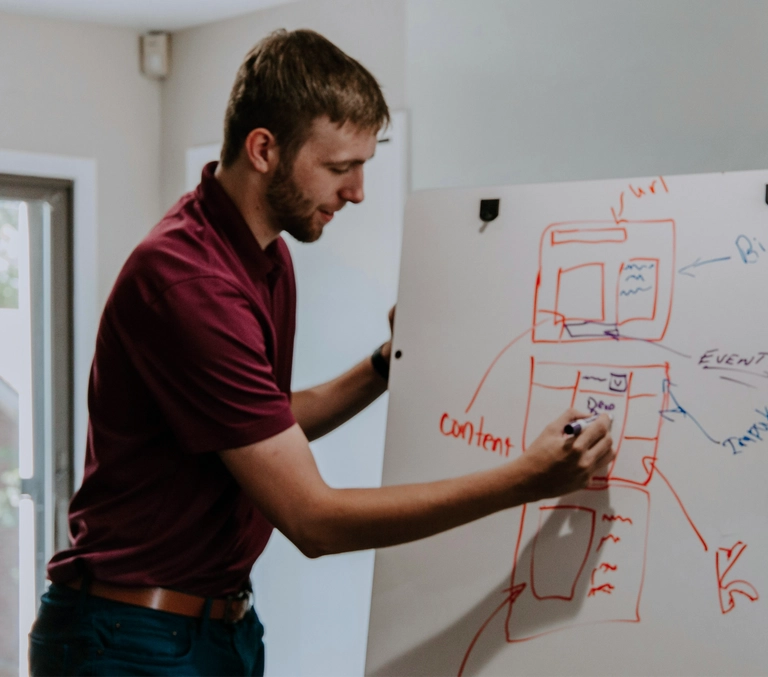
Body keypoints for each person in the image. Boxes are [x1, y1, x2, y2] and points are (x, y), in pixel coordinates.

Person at [29, 29, 613, 676]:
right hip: (131, 638)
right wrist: (527, 479)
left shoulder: (266, 256)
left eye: (364, 165)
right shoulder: (189, 281)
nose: (358, 190)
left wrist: (387, 365)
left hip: (216, 628)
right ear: (263, 150)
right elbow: (314, 520)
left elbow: (264, 419)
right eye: (340, 168)